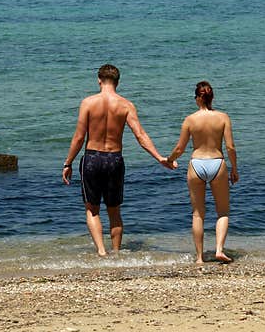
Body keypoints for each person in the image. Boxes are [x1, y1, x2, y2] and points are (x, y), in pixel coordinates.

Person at [62, 64, 173, 257]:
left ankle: (102, 252)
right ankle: (116, 253)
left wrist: (68, 162)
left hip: (92, 158)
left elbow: (79, 137)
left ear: (99, 80)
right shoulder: (126, 105)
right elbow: (140, 135)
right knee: (114, 211)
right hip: (114, 159)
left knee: (92, 210)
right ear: (117, 82)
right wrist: (159, 158)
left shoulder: (88, 103)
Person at [166, 80, 238, 264]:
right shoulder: (223, 117)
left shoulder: (190, 120)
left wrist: (170, 159)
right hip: (217, 162)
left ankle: (199, 258)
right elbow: (230, 147)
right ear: (211, 97)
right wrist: (234, 169)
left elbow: (180, 148)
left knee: (198, 213)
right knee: (222, 212)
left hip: (197, 164)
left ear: (198, 98)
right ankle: (219, 250)